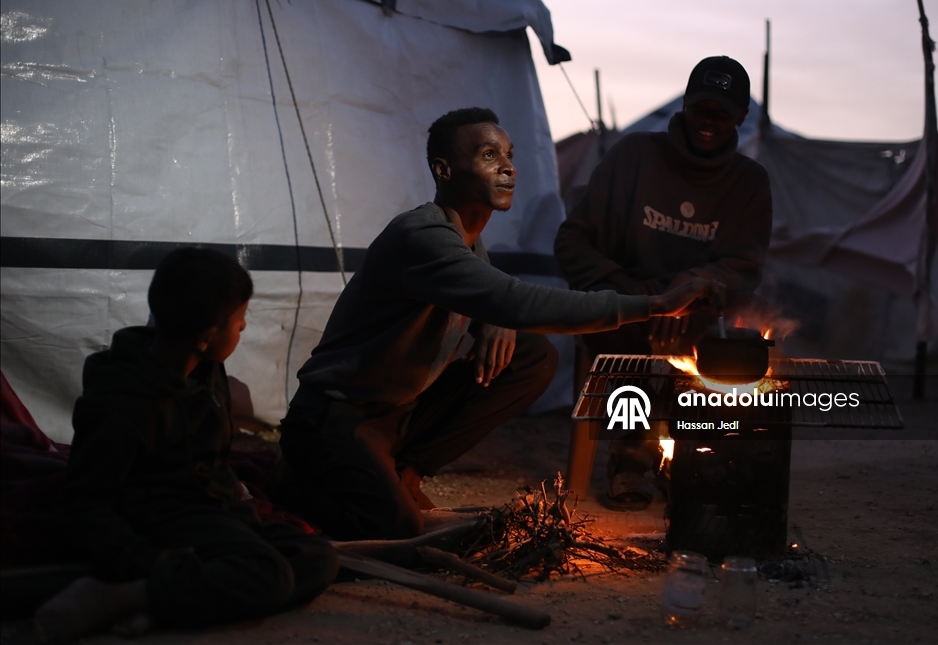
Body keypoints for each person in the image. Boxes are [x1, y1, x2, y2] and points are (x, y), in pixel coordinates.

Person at [273, 107, 725, 541]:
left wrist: (497, 318)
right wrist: (657, 304)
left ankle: (405, 471)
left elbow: (496, 297)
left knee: (529, 356)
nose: (507, 167)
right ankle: (290, 488)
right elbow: (513, 299)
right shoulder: (422, 237)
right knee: (399, 529)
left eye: (509, 155)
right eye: (489, 155)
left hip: (398, 414)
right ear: (444, 171)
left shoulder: (470, 243)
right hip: (336, 417)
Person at [34, 248, 339, 644]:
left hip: (211, 512)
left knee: (317, 557)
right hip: (163, 525)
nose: (244, 327)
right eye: (240, 320)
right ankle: (126, 595)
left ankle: (165, 603)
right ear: (207, 336)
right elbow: (83, 504)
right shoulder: (123, 403)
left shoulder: (205, 370)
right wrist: (146, 562)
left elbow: (207, 466)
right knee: (270, 576)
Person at [554, 56, 773, 511]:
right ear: (685, 106)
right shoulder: (633, 154)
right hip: (626, 303)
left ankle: (691, 457)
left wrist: (688, 290)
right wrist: (644, 299)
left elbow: (744, 265)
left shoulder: (750, 182)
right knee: (618, 331)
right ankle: (630, 451)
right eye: (701, 110)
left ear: (740, 118)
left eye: (722, 113)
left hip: (698, 314)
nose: (709, 122)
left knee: (723, 344)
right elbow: (573, 239)